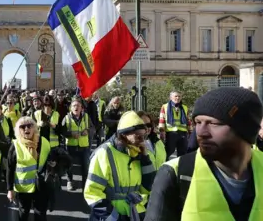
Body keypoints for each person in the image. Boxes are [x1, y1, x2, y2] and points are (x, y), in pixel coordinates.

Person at [145, 87, 263, 221]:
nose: (201, 132)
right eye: (198, 122)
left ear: (245, 129)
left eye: (213, 123)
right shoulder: (176, 173)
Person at [84, 111, 156, 221]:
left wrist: (145, 158)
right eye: (138, 136)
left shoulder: (139, 151)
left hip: (135, 213)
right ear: (124, 134)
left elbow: (149, 187)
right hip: (112, 216)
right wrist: (113, 216)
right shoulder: (104, 153)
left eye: (144, 136)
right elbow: (93, 192)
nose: (142, 141)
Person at [7, 117, 52, 221]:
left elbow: (49, 159)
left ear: (34, 128)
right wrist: (10, 190)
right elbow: (10, 168)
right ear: (18, 130)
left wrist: (53, 163)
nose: (26, 128)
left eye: (29, 125)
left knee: (40, 214)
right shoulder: (15, 145)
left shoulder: (44, 141)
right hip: (23, 188)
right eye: (22, 127)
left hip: (41, 186)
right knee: (23, 214)